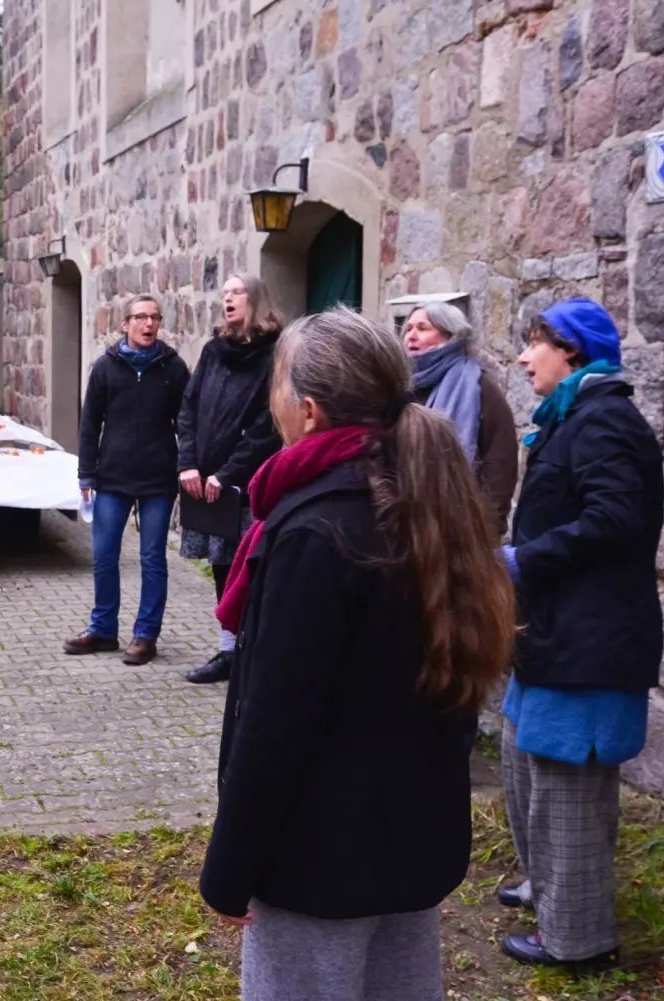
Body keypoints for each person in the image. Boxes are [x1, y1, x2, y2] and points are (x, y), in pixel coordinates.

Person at [199, 306, 514, 1001]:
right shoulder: (423, 498)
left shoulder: (317, 531)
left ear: (307, 411)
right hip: (410, 839)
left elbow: (276, 722)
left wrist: (229, 866)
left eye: (274, 389)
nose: (269, 404)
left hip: (319, 857)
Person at [496, 298, 664, 969]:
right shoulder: (573, 418)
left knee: (569, 789)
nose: (521, 355)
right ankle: (551, 888)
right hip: (554, 634)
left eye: (533, 342)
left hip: (590, 642)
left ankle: (577, 939)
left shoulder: (605, 421)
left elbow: (618, 519)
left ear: (570, 350)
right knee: (521, 763)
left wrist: (522, 558)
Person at [67, 293, 190, 666]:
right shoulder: (106, 367)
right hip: (112, 478)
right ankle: (103, 629)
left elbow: (187, 422)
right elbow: (90, 424)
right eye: (140, 317)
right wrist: (86, 472)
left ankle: (145, 635)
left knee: (153, 558)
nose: (148, 324)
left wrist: (188, 464)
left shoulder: (174, 368)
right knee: (105, 556)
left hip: (158, 480)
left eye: (154, 317)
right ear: (125, 324)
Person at [177, 274, 284, 685]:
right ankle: (228, 652)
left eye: (236, 292)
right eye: (224, 294)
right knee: (221, 566)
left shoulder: (274, 355)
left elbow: (267, 425)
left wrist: (227, 472)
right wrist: (188, 463)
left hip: (246, 483)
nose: (228, 299)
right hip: (204, 483)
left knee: (251, 567)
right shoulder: (214, 350)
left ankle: (254, 652)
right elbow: (189, 409)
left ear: (255, 299)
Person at [404, 302, 519, 537]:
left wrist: (486, 528)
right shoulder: (401, 387)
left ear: (450, 336)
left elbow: (500, 463)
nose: (411, 336)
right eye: (408, 329)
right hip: (406, 525)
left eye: (422, 328)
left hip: (461, 530)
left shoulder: (478, 386)